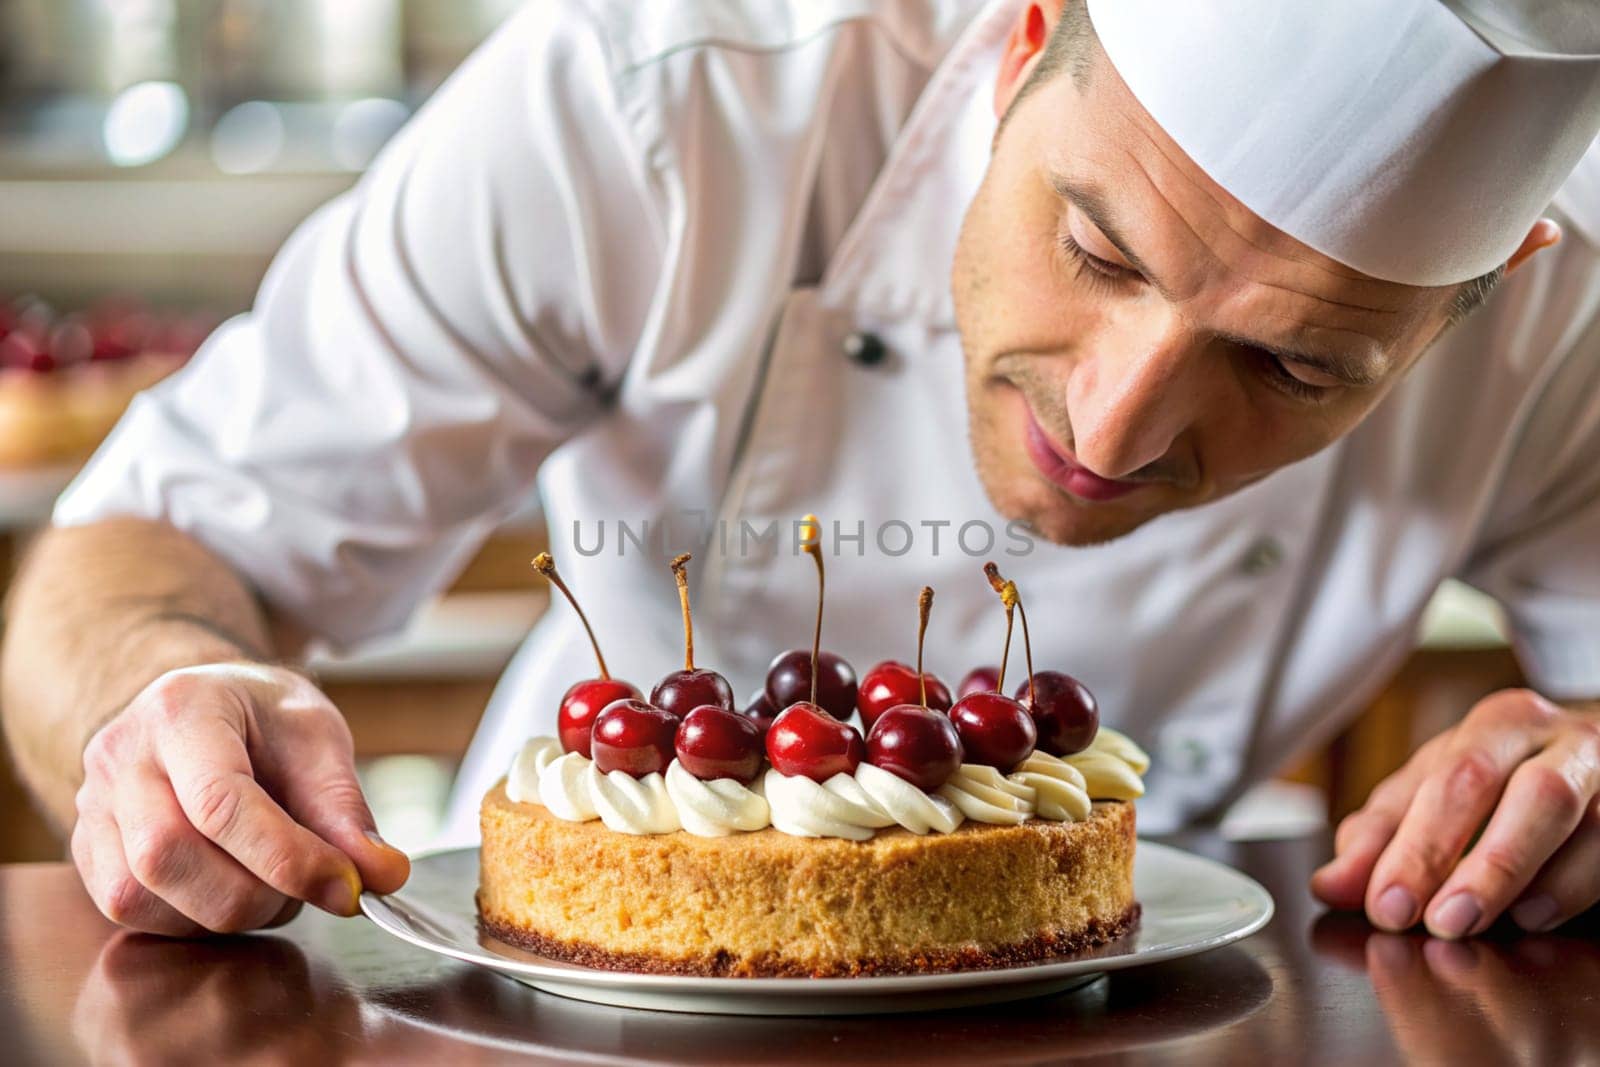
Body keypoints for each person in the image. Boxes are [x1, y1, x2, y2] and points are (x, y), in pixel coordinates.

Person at [3, 0, 1597, 942]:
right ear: (1024, 39)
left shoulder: (1574, 319)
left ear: (1500, 284)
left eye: (1294, 365)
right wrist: (170, 705)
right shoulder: (658, 102)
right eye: (1095, 249)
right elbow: (133, 552)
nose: (1113, 433)